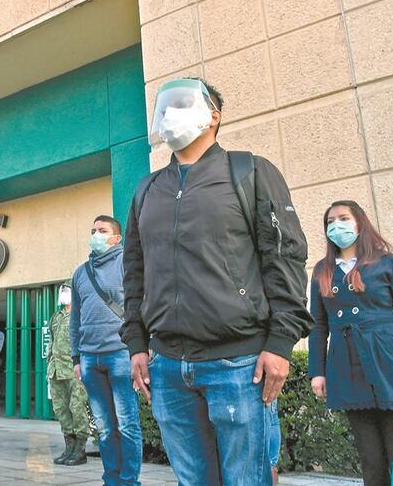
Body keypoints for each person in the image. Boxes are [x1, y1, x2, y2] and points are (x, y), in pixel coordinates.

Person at [121, 77, 313, 486]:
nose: (171, 113)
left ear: (214, 114)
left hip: (239, 364)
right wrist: (137, 343)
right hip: (168, 367)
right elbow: (135, 273)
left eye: (183, 103)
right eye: (165, 105)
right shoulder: (147, 190)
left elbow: (285, 258)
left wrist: (281, 343)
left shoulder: (250, 172)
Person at [308, 201, 393, 486]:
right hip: (347, 366)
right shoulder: (322, 270)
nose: (336, 225)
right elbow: (318, 325)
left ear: (359, 223)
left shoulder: (387, 263)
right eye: (330, 221)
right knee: (370, 459)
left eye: (343, 218)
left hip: (389, 363)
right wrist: (317, 371)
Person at [71, 216, 141, 486]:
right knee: (104, 427)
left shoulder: (128, 265)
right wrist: (76, 358)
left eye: (102, 231)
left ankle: (129, 481)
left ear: (116, 238)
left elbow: (140, 307)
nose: (96, 235)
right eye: (93, 231)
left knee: (126, 425)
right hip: (90, 359)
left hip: (121, 354)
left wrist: (140, 350)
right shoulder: (80, 273)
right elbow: (75, 320)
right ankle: (111, 480)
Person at [49, 280, 90, 466]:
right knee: (61, 409)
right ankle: (69, 447)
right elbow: (52, 341)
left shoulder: (81, 314)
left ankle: (80, 450)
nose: (63, 293)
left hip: (75, 370)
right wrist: (49, 362)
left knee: (77, 408)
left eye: (66, 290)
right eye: (62, 290)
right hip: (56, 370)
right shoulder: (56, 316)